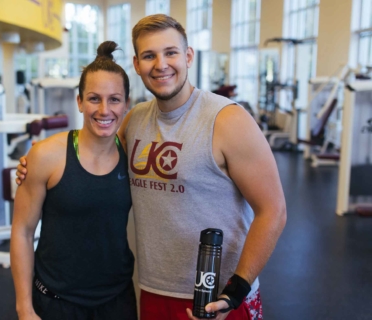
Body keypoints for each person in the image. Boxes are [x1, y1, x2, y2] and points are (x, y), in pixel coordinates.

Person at [16, 14, 287, 320]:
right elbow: (92, 150)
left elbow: (273, 210)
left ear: (188, 56)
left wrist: (235, 291)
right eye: (149, 55)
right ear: (136, 64)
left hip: (217, 297)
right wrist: (35, 160)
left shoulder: (228, 120)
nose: (161, 64)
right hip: (151, 291)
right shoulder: (134, 120)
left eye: (170, 52)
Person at [10, 41, 137, 320]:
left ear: (126, 104)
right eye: (94, 98)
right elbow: (21, 232)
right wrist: (24, 308)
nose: (104, 110)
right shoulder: (46, 155)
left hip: (117, 301)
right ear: (79, 101)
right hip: (56, 303)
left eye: (114, 99)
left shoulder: (133, 155)